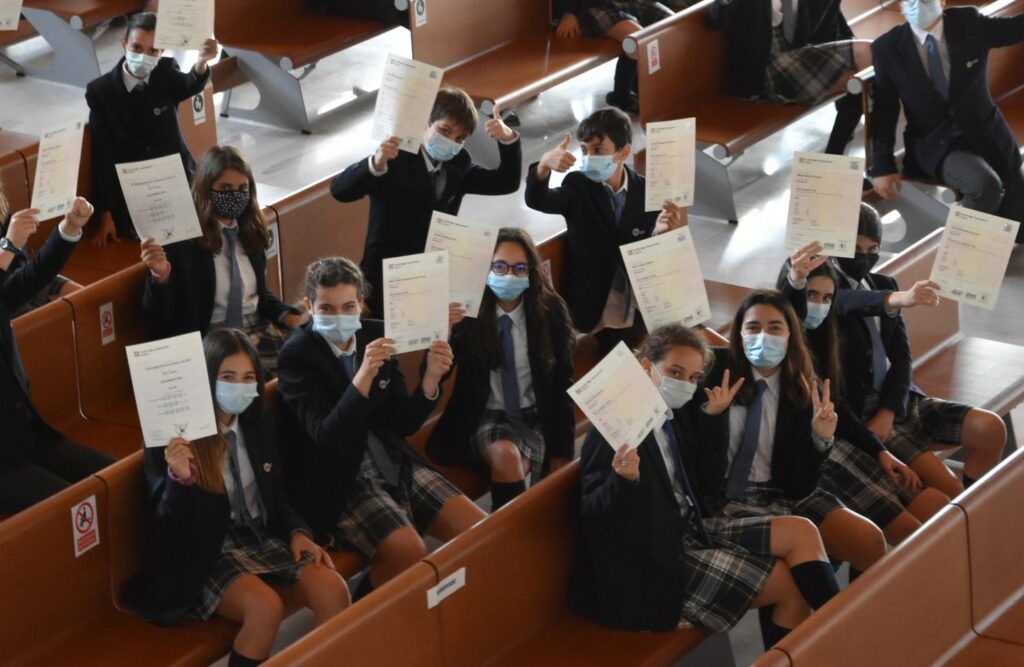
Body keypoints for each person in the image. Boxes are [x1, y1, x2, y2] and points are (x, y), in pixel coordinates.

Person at [570, 323, 840, 649]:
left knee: (801, 531)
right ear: (645, 366)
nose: (684, 384)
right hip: (647, 562)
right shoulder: (613, 428)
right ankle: (845, 642)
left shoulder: (675, 415)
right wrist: (624, 480)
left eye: (693, 378)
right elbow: (594, 513)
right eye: (675, 371)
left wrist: (713, 418)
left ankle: (847, 629)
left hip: (688, 528)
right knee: (791, 585)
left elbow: (709, 484)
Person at [123, 329, 349, 667]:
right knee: (265, 609)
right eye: (228, 377)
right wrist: (180, 479)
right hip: (205, 551)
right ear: (207, 377)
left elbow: (276, 492)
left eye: (247, 377)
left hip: (258, 534)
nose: (239, 386)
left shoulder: (257, 422)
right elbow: (169, 530)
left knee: (334, 590)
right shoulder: (174, 437)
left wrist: (297, 531)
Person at [277, 257, 487, 598]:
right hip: (340, 478)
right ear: (309, 307)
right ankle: (363, 618)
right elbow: (325, 438)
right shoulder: (296, 356)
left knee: (480, 530)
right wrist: (360, 382)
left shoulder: (375, 334)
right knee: (408, 550)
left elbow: (402, 423)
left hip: (392, 460)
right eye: (327, 309)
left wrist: (431, 379)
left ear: (361, 303)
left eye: (348, 306)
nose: (339, 317)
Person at [689, 290, 889, 575]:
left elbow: (801, 485)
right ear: (739, 333)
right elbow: (694, 458)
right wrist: (710, 416)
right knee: (791, 566)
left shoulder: (805, 389)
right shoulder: (710, 373)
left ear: (790, 334)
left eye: (774, 328)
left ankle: (856, 615)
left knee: (867, 540)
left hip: (785, 491)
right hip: (725, 498)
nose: (763, 336)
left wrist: (821, 439)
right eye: (753, 327)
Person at [828, 204, 1007, 497]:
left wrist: (890, 408)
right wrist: (898, 299)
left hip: (898, 398)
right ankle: (964, 520)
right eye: (856, 250)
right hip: (861, 413)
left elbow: (901, 357)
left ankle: (971, 507)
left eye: (872, 249)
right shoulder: (820, 292)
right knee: (948, 487)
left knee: (990, 428)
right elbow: (846, 301)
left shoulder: (883, 282)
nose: (864, 258)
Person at [778, 254, 950, 546]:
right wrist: (794, 280)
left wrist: (880, 451)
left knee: (936, 503)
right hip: (811, 452)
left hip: (840, 432)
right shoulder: (782, 336)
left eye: (825, 297)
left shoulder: (824, 335)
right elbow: (787, 309)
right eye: (810, 295)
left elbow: (836, 405)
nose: (818, 304)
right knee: (903, 531)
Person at [330, 88, 522, 315]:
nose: (451, 142)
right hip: (386, 278)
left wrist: (508, 139)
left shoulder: (458, 163)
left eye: (460, 138)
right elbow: (340, 191)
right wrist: (375, 164)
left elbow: (505, 183)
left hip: (431, 278)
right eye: (444, 130)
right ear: (424, 124)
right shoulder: (396, 159)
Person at [426, 228, 577, 510]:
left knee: (515, 466)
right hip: (485, 415)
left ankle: (513, 534)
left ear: (531, 271)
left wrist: (562, 451)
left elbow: (563, 382)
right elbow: (437, 372)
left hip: (535, 414)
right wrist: (442, 333)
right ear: (486, 269)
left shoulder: (550, 310)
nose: (509, 275)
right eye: (499, 266)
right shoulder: (468, 315)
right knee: (508, 457)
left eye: (520, 268)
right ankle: (513, 537)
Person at [525, 107, 684, 355]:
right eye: (585, 150)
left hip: (633, 306)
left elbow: (656, 256)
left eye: (599, 150)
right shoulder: (578, 186)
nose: (589, 158)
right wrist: (544, 166)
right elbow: (540, 200)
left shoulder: (647, 192)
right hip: (591, 304)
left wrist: (661, 234)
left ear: (624, 152)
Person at [140, 146, 304, 377]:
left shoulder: (250, 232)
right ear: (207, 189)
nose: (234, 196)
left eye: (242, 189)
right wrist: (161, 276)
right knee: (275, 375)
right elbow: (159, 314)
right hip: (214, 337)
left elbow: (260, 294)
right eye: (225, 188)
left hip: (257, 327)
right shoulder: (184, 242)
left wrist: (288, 314)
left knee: (312, 355)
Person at [869, 0, 1024, 242]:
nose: (917, 6)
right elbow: (884, 112)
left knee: (1018, 225)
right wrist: (882, 166)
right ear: (900, 6)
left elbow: (1015, 28)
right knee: (984, 185)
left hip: (987, 136)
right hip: (936, 144)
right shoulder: (887, 48)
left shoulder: (968, 22)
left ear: (941, 1)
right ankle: (956, 257)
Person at [0, 197, 114, 514]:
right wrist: (8, 247)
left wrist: (68, 229)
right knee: (80, 507)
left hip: (25, 432)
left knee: (117, 480)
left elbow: (26, 283)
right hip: (3, 461)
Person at [86, 11, 220, 245]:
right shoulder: (101, 92)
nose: (143, 56)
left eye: (152, 51)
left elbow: (189, 84)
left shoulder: (166, 72)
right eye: (136, 48)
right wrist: (105, 214)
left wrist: (200, 63)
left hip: (178, 181)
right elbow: (103, 154)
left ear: (161, 52)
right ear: (124, 44)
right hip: (135, 193)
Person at [707, 0, 872, 156]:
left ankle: (839, 157)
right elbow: (715, 19)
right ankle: (848, 159)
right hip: (761, 71)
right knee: (864, 66)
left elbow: (831, 26)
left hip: (797, 56)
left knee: (861, 76)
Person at [552, 0, 692, 112]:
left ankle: (644, 86)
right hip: (589, 8)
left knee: (675, 27)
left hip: (623, 3)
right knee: (638, 42)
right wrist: (570, 13)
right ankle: (622, 96)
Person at [0, 180, 80, 317]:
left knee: (88, 299)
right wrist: (9, 245)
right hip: (7, 303)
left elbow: (26, 273)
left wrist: (69, 227)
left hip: (16, 285)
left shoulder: (3, 217)